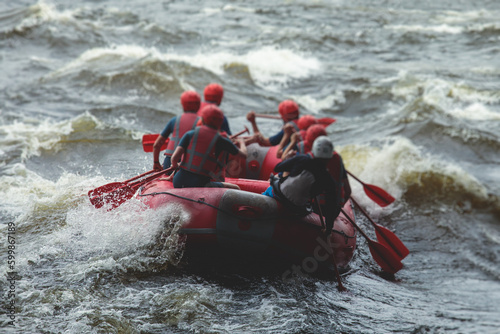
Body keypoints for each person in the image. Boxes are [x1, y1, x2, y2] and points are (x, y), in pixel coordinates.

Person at [262, 136, 343, 235]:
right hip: (296, 208)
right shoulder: (328, 180)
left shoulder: (301, 159)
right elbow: (331, 206)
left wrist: (289, 159)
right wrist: (328, 229)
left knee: (275, 180)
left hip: (278, 195)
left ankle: (261, 201)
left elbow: (278, 168)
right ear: (330, 157)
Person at [166, 104, 247, 189]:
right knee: (236, 188)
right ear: (220, 122)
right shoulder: (222, 141)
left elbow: (174, 158)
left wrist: (175, 165)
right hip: (199, 186)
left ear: (203, 119)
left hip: (178, 182)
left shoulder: (189, 134)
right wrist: (242, 143)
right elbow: (244, 155)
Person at [153, 90, 201, 171]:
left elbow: (156, 145)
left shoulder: (174, 121)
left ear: (182, 104)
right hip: (190, 166)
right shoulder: (202, 123)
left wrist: (156, 162)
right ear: (199, 105)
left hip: (169, 165)